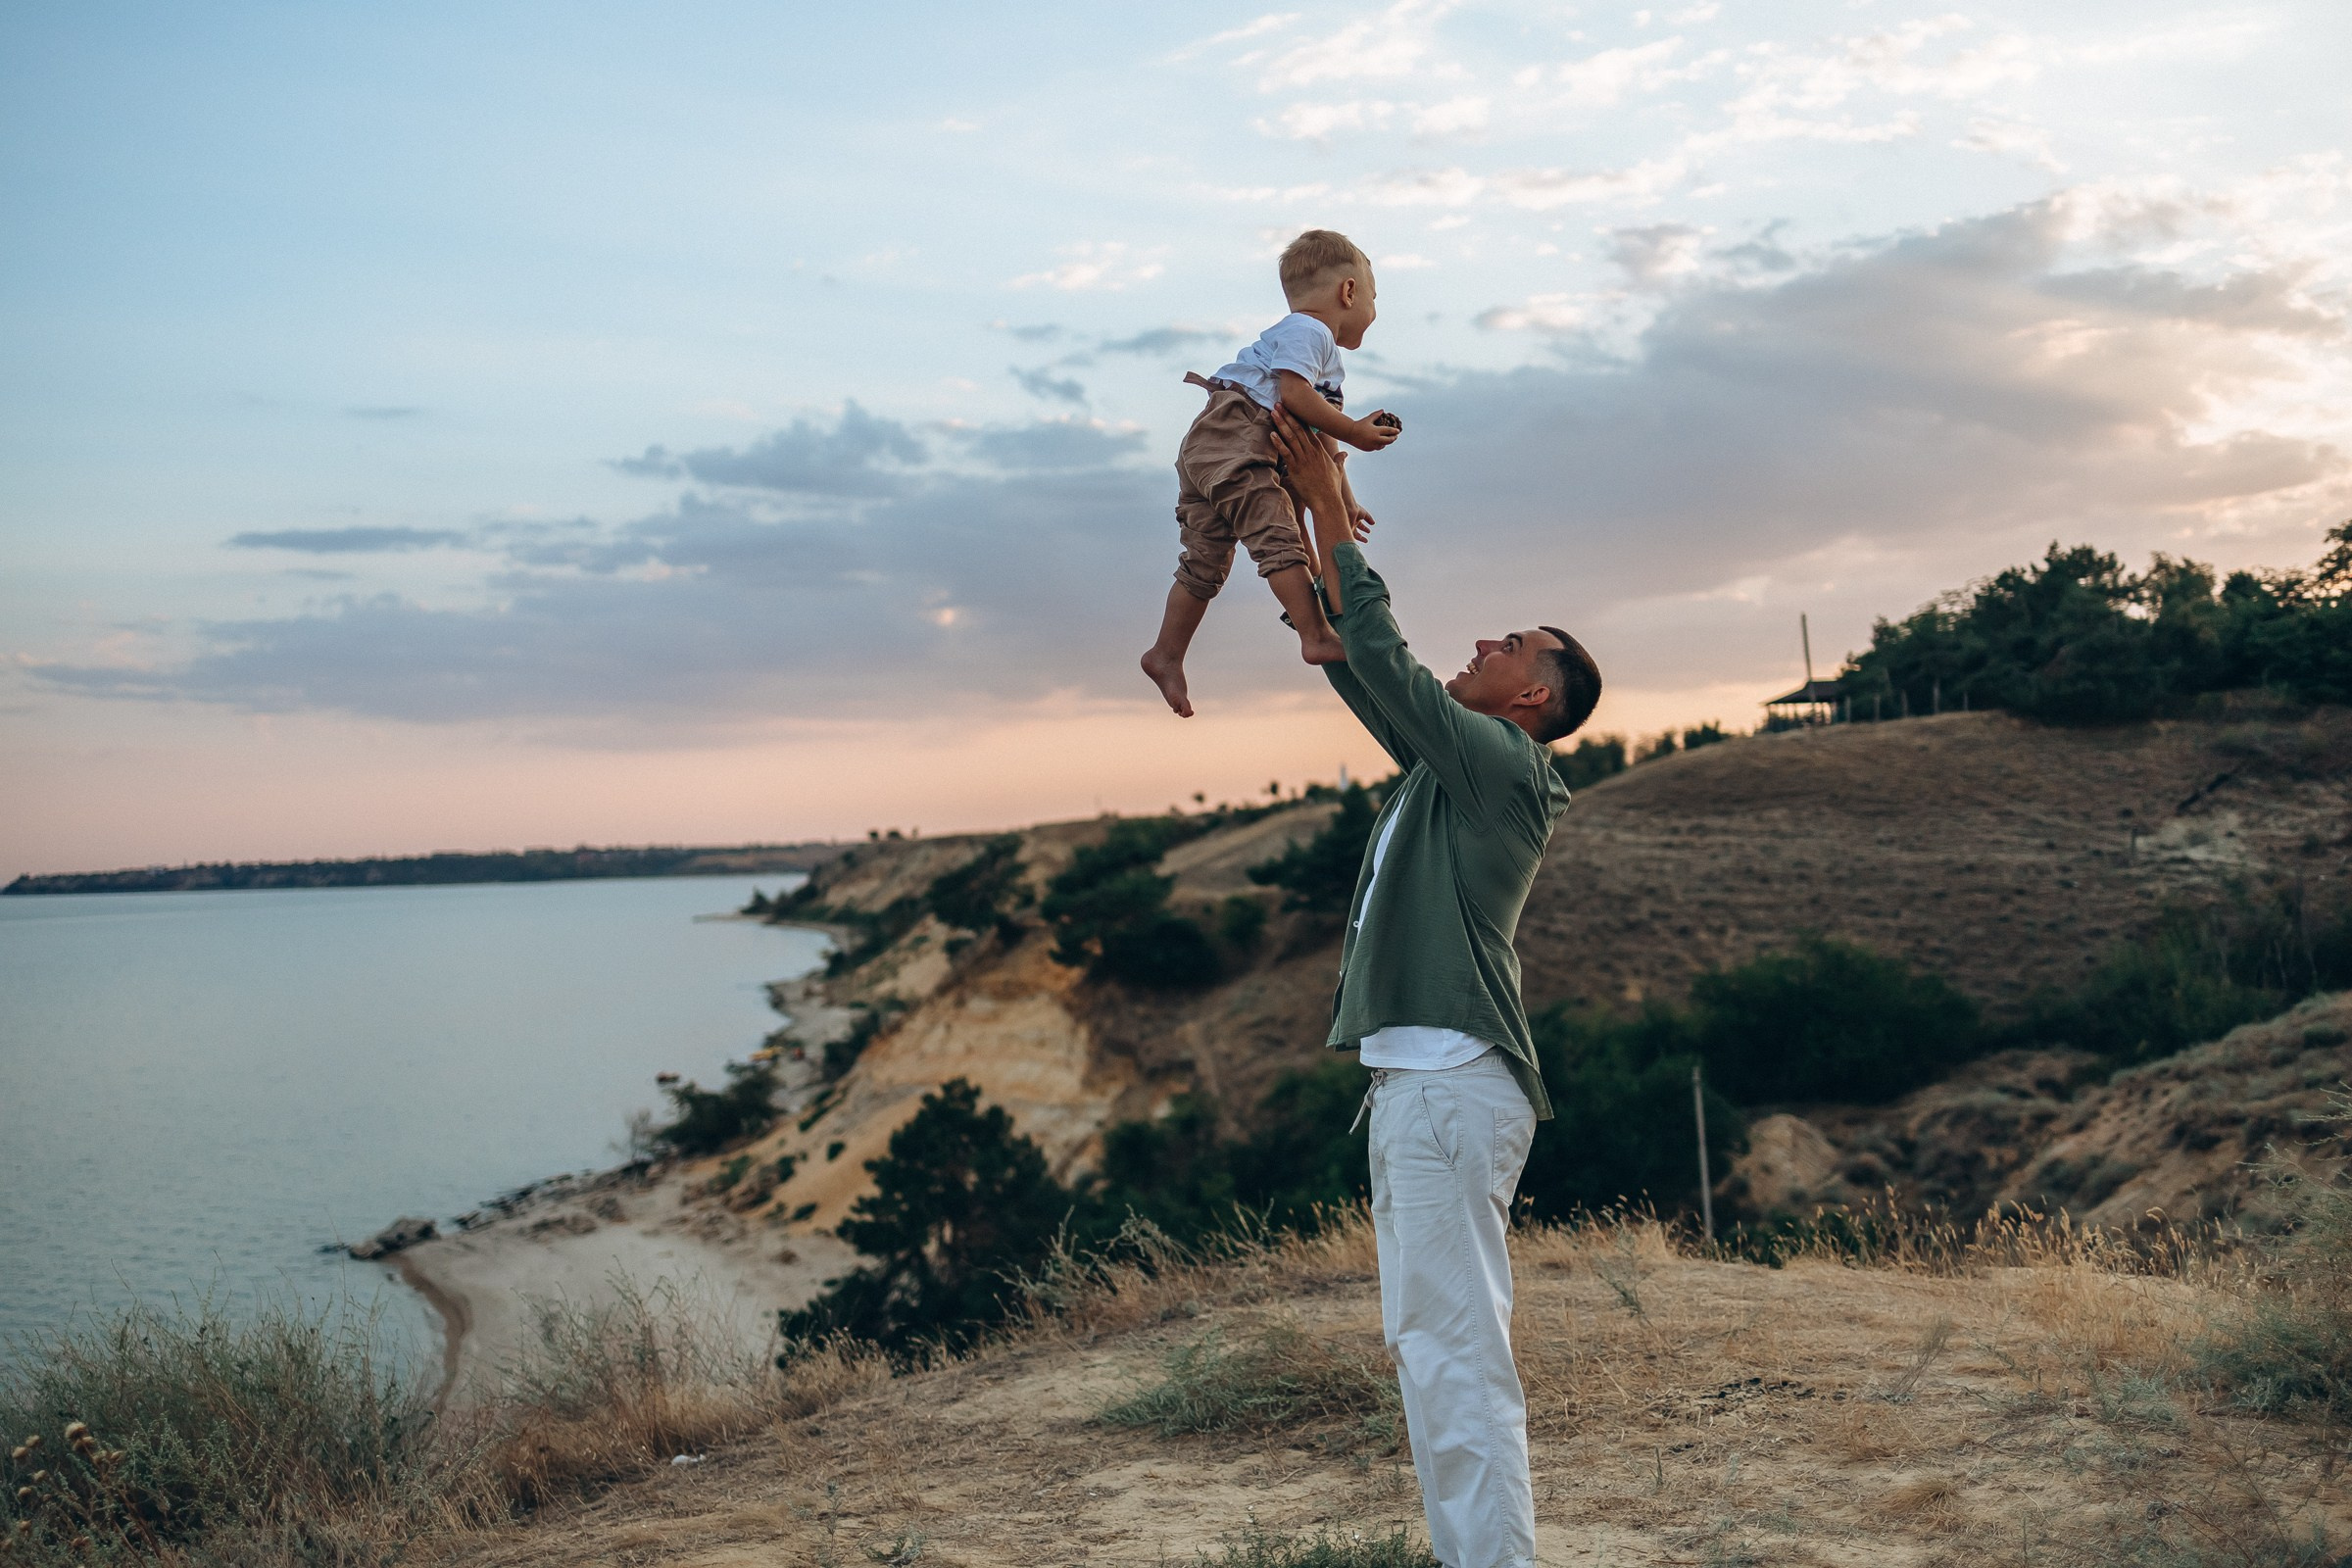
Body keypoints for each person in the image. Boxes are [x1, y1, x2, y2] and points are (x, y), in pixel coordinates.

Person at [1264, 404, 1600, 1568]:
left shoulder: (1505, 769)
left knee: (1457, 1356)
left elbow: (1394, 666)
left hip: (1452, 1087)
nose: (1487, 640)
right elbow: (1362, 667)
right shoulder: (1446, 769)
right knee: (1431, 1348)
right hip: (1423, 1086)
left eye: (1511, 643)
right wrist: (1297, 542)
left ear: (1532, 700)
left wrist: (1328, 503)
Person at [1140, 228, 1402, 718]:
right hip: (1238, 439)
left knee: (1204, 562)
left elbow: (1315, 431)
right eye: (1374, 297)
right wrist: (1354, 431)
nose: (1374, 310)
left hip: (1211, 446)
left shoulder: (1306, 343)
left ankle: (1166, 654)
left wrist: (1344, 498)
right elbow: (1296, 398)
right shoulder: (1310, 333)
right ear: (1348, 291)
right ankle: (1315, 634)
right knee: (1278, 536)